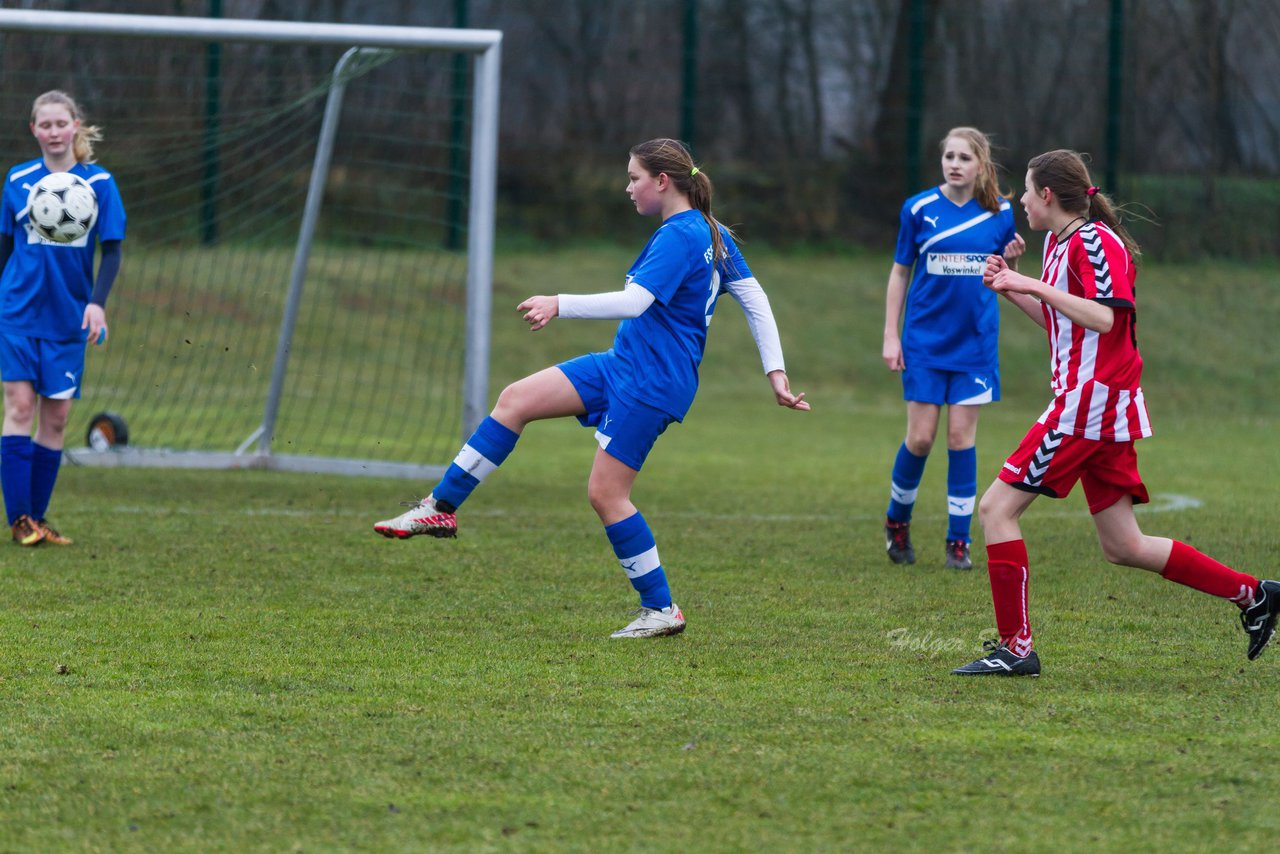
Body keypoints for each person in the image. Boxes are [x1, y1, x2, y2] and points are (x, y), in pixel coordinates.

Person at [372, 138, 810, 638]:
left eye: (634, 178)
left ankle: (661, 610)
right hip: (623, 363)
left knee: (606, 494)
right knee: (515, 400)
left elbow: (635, 302)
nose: (628, 189)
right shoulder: (709, 232)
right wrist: (774, 372)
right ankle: (440, 510)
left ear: (662, 182)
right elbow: (755, 298)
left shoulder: (683, 235)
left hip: (653, 381)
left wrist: (560, 301)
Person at [952, 149, 1279, 676]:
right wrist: (1012, 287)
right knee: (1123, 545)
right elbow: (1066, 323)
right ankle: (1254, 594)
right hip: (1094, 406)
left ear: (1047, 196)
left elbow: (1106, 318)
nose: (1019, 203)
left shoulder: (1094, 242)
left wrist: (1031, 284)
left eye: (1025, 192)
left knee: (995, 510)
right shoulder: (1058, 247)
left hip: (1089, 404)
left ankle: (1015, 649)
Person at [881, 127, 1025, 570]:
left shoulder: (1000, 213)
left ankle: (958, 542)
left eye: (964, 157)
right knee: (921, 438)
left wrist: (1015, 260)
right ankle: (897, 523)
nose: (955, 164)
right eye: (949, 156)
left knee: (962, 438)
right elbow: (900, 273)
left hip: (975, 343)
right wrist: (891, 334)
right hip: (924, 340)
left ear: (981, 164)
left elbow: (1002, 277)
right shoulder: (919, 208)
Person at [0, 90, 126, 547]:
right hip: (17, 311)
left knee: (56, 420)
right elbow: (4, 249)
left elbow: (111, 251)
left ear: (76, 126)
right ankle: (19, 522)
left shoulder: (101, 184)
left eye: (61, 123)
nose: (54, 132)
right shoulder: (17, 179)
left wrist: (97, 302)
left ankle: (36, 516)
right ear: (33, 130)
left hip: (69, 318)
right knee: (18, 408)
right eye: (45, 124)